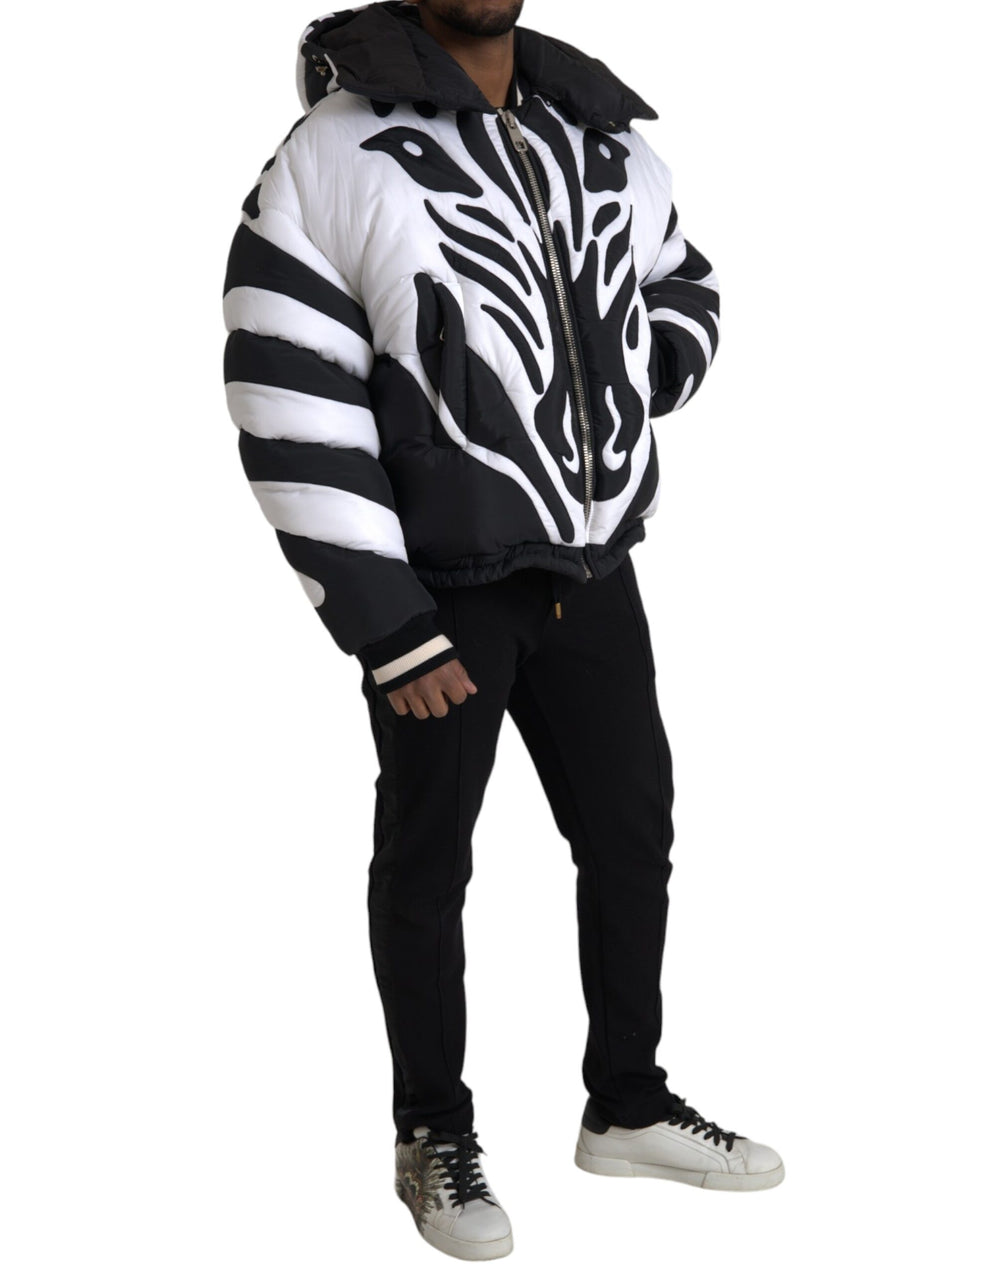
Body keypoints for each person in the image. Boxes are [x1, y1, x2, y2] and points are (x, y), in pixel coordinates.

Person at [222, 0, 783, 1260]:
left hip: (591, 564)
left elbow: (680, 277)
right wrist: (387, 624)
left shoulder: (602, 136)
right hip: (443, 586)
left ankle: (626, 1103)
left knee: (632, 835)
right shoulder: (332, 153)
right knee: (428, 864)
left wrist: (638, 372)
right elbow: (282, 385)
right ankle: (431, 1133)